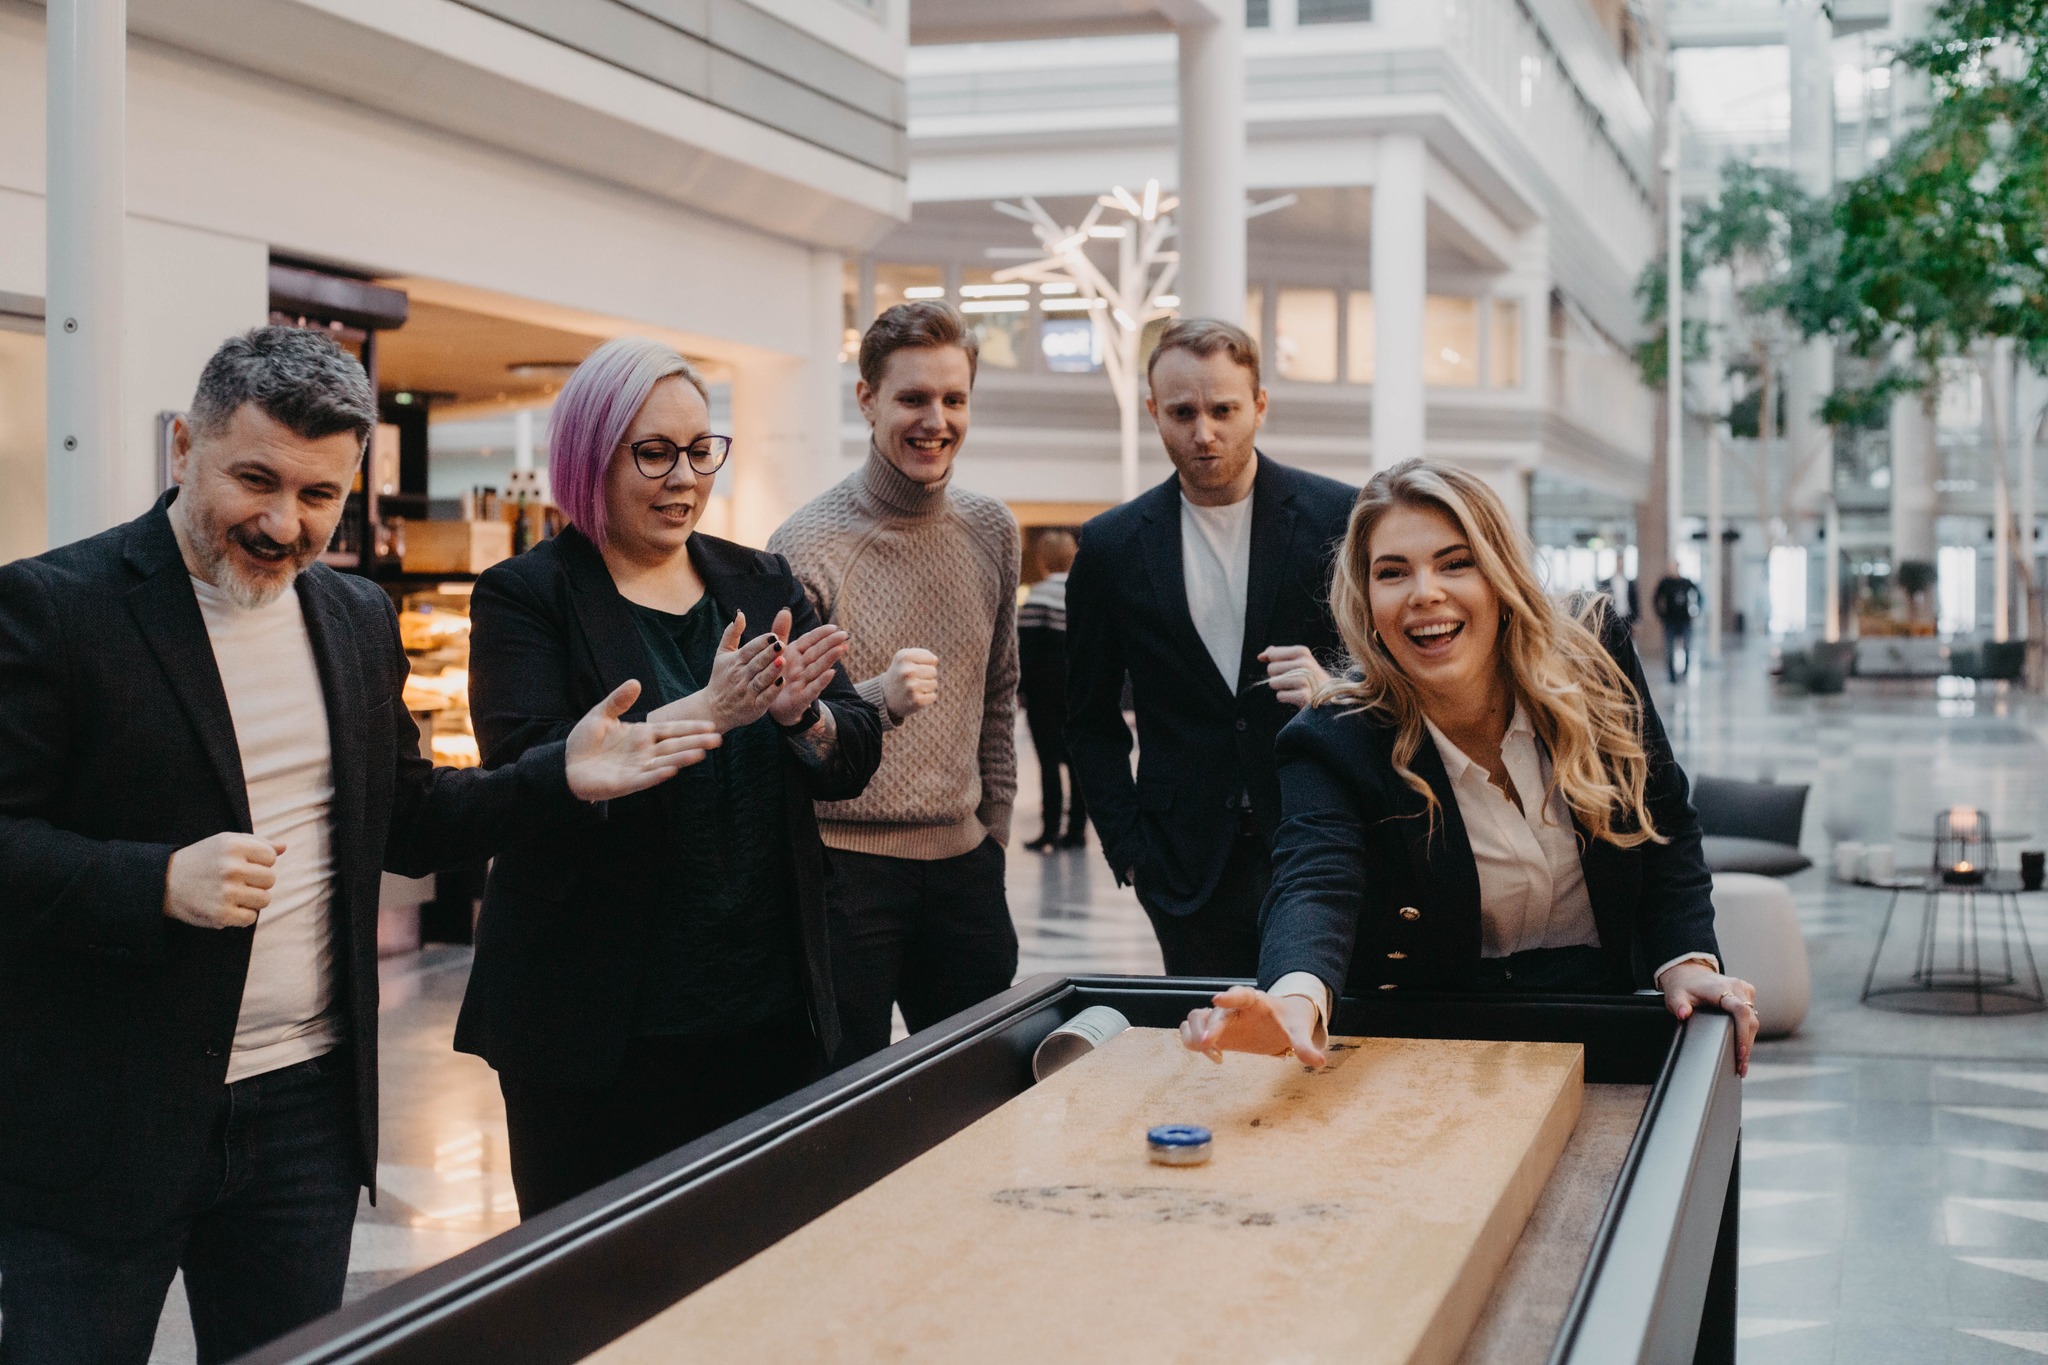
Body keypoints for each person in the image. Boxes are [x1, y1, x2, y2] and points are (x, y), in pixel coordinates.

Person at [0, 327, 716, 1365]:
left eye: (320, 496)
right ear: (182, 450)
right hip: (106, 1118)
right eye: (255, 480)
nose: (284, 522)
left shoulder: (351, 617)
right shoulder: (55, 607)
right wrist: (151, 880)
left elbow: (412, 819)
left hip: (304, 1113)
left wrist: (556, 775)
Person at [457, 339, 883, 1218]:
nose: (683, 477)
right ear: (589, 457)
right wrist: (708, 711)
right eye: (652, 452)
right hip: (596, 1028)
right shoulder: (526, 595)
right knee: (597, 1297)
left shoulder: (757, 576)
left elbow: (851, 754)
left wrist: (807, 717)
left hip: (765, 1014)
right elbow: (529, 778)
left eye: (700, 450)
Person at [1178, 459, 1760, 1075]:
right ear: (1367, 602)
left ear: (1501, 576)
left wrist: (1686, 960)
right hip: (1440, 1034)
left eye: (1456, 563)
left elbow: (1663, 819)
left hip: (1616, 1005)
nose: (1425, 591)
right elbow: (1315, 882)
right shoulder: (1333, 736)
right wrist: (1293, 1000)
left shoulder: (1592, 656)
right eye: (1393, 572)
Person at [768, 301, 1021, 1065]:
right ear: (868, 399)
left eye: (954, 399)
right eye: (913, 398)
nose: (935, 420)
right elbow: (786, 732)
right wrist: (876, 695)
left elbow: (998, 694)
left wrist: (994, 831)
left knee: (983, 1100)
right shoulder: (804, 546)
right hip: (846, 874)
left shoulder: (992, 530)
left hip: (964, 867)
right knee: (841, 1109)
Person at [1065, 318, 1355, 977]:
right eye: (1182, 412)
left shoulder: (1338, 517)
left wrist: (1333, 688)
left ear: (1258, 404)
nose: (1203, 432)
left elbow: (1390, 675)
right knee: (1211, 1059)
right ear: (1152, 412)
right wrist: (1129, 847)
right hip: (1182, 862)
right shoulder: (1110, 546)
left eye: (1223, 409)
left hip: (1319, 836)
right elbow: (1087, 719)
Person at [1017, 530, 1086, 851]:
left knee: (1048, 763)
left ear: (1043, 559)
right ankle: (1076, 832)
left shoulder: (1038, 596)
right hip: (1078, 694)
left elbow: (1025, 652)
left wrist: (1021, 692)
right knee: (1077, 763)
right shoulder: (1084, 594)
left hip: (1044, 695)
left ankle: (1050, 831)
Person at [1652, 562, 1701, 683]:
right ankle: (1672, 676)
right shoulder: (1665, 583)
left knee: (1687, 648)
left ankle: (1685, 672)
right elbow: (1656, 598)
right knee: (1669, 650)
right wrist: (1660, 615)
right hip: (1669, 621)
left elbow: (1698, 595)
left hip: (1684, 621)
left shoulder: (1686, 582)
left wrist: (1696, 611)